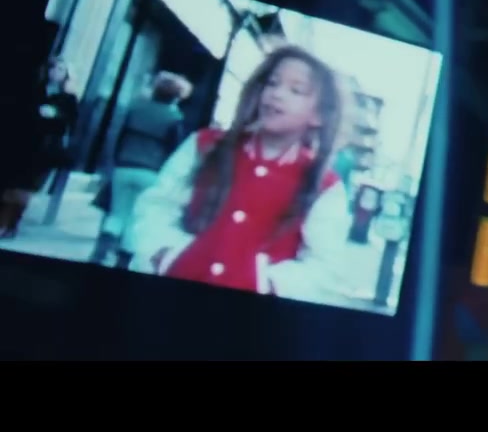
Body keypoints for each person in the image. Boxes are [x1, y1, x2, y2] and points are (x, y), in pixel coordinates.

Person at [127, 46, 352, 303]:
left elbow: (324, 265)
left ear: (319, 115)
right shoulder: (205, 145)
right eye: (272, 83)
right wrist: (165, 254)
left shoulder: (324, 185)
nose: (277, 94)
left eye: (296, 90)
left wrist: (268, 283)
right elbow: (156, 206)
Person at [92, 71, 193, 268]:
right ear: (177, 96)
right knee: (135, 219)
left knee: (117, 214)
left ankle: (100, 254)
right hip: (151, 172)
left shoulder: (135, 108)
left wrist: (113, 161)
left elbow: (117, 135)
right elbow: (174, 150)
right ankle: (122, 262)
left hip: (124, 166)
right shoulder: (174, 118)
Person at [0, 57, 78, 238]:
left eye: (61, 70)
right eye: (53, 68)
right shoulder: (35, 90)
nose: (56, 73)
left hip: (44, 148)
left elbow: (71, 122)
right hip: (22, 142)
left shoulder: (68, 98)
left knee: (25, 186)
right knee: (11, 183)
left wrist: (56, 114)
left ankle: (11, 223)